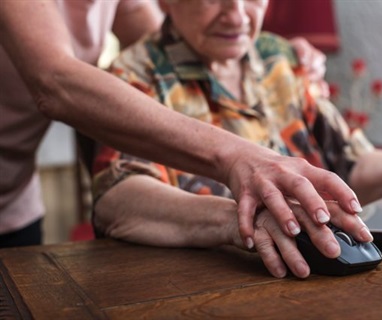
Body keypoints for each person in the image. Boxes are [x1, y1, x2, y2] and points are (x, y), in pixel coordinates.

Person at [91, 0, 382, 278]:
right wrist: (244, 219)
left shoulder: (280, 57)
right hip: (203, 283)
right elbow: (118, 198)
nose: (237, 14)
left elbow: (347, 162)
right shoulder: (133, 76)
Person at [0, 0, 342, 248]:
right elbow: (54, 83)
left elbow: (171, 56)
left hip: (14, 197)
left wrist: (265, 55)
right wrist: (237, 158)